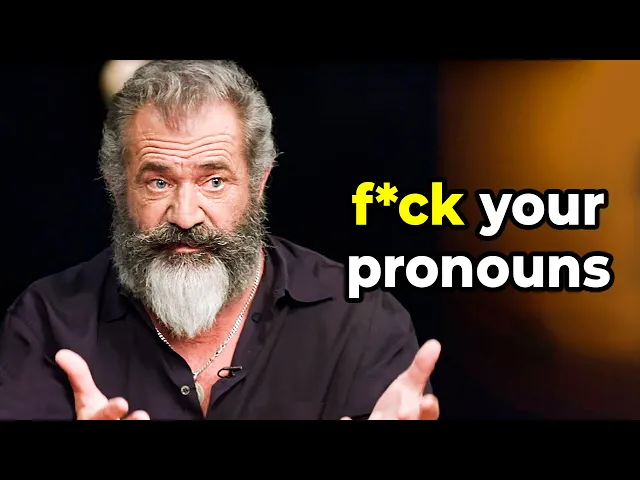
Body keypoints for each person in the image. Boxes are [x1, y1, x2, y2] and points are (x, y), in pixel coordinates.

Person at [0, 60, 441, 420]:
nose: (185, 215)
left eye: (214, 181)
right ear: (117, 187)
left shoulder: (361, 321)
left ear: (259, 183)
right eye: (158, 182)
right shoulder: (46, 323)